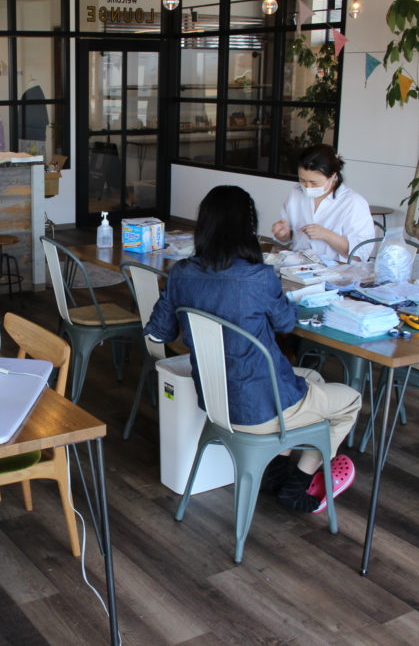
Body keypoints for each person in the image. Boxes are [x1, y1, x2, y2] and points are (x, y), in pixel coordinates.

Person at [145, 186, 360, 512]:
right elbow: (285, 323)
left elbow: (159, 332)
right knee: (350, 400)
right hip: (259, 406)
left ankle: (275, 472)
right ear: (248, 228)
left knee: (312, 378)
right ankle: (299, 484)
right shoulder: (259, 277)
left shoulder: (181, 274)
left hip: (215, 401)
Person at [271, 144, 375, 263]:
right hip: (298, 266)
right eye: (302, 180)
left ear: (333, 176)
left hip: (338, 270)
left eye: (314, 183)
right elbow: (289, 237)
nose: (307, 187)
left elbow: (360, 253)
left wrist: (326, 235)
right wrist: (283, 234)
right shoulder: (296, 193)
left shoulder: (353, 203)